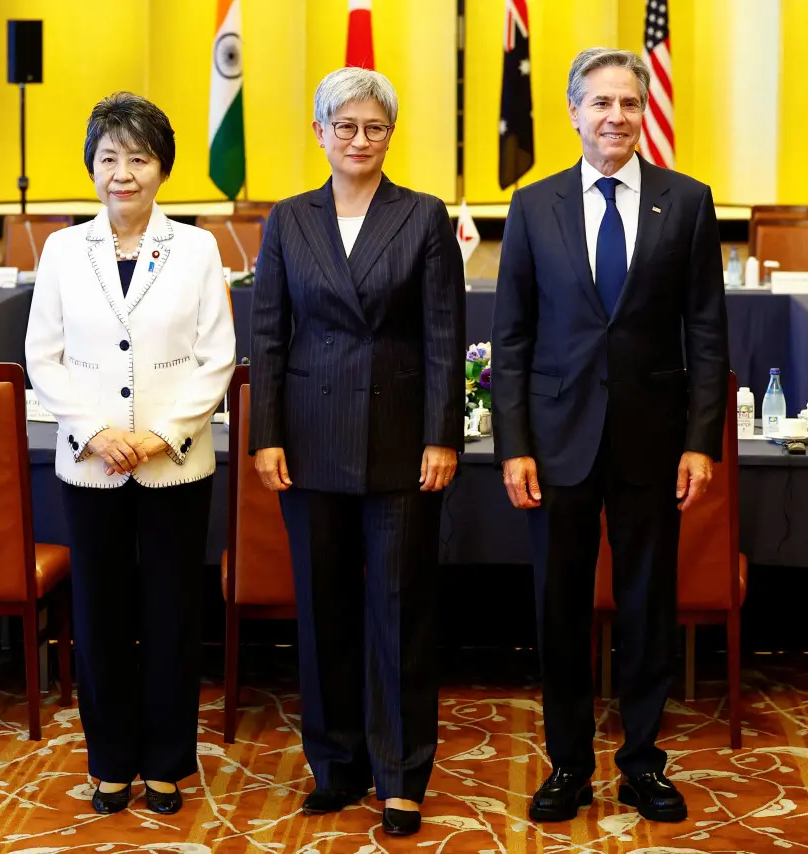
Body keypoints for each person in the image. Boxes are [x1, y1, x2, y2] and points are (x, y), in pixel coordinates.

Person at [491, 48, 729, 824]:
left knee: (645, 609)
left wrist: (700, 442)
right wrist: (514, 444)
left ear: (644, 112)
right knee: (558, 610)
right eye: (601, 103)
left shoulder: (687, 202)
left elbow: (706, 332)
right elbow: (513, 337)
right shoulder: (534, 205)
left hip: (652, 444)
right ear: (573, 111)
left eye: (629, 103)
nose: (616, 117)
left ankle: (642, 764)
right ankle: (567, 765)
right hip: (555, 444)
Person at [249, 67, 464, 837]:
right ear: (320, 133)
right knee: (323, 611)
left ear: (389, 136)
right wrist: (263, 433)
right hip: (307, 441)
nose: (359, 140)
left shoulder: (423, 217)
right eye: (345, 126)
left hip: (403, 443)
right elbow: (268, 333)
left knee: (399, 613)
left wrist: (443, 433)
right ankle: (335, 766)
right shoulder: (289, 219)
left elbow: (444, 335)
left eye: (374, 127)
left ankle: (402, 775)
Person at [25, 92, 235, 817]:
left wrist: (160, 434)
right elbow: (41, 356)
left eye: (138, 158)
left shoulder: (199, 248)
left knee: (174, 614)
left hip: (175, 463)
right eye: (109, 158)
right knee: (102, 615)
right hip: (91, 466)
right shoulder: (60, 249)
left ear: (161, 169)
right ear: (91, 168)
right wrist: (95, 430)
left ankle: (169, 764)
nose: (123, 173)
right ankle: (111, 762)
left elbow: (217, 356)